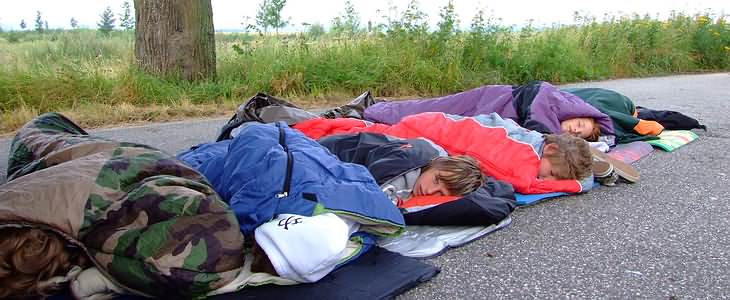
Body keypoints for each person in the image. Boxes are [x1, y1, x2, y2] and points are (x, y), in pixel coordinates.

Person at [0, 112, 247, 299]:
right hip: (119, 167)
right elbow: (210, 256)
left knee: (43, 129)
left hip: (91, 164)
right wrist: (108, 277)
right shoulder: (105, 231)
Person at [298, 112, 595, 195]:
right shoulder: (524, 152)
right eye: (553, 172)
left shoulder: (529, 142)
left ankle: (307, 130)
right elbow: (525, 183)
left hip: (430, 127)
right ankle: (300, 132)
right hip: (427, 131)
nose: (548, 178)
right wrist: (576, 185)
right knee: (359, 139)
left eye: (554, 177)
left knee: (368, 133)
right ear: (551, 148)